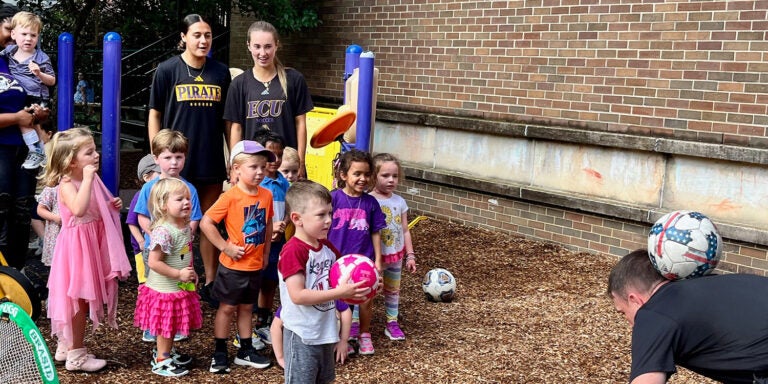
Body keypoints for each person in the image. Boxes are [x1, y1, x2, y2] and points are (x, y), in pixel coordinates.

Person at [148, 13, 231, 300]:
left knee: (208, 221)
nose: (203, 40)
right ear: (183, 37)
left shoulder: (220, 72)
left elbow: (228, 120)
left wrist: (232, 157)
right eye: (196, 35)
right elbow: (155, 113)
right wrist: (156, 154)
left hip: (210, 158)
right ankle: (171, 282)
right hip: (175, 162)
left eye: (207, 35)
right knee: (174, 224)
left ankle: (210, 282)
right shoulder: (167, 70)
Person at [41, 127, 132, 371]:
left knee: (77, 298)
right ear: (71, 162)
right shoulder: (67, 184)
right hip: (76, 249)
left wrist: (112, 204)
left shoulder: (85, 179)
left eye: (95, 150)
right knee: (77, 300)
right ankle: (76, 356)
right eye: (89, 152)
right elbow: (79, 210)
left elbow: (94, 207)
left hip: (87, 244)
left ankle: (67, 344)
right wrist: (90, 180)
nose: (96, 155)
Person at [608, 249, 768, 384]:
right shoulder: (712, 284)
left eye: (623, 313)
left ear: (634, 300)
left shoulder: (653, 313)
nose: (630, 323)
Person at [278, 180, 370, 383]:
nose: (329, 220)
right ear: (297, 218)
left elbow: (346, 277)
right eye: (321, 215)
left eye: (330, 213)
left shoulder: (326, 247)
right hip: (302, 335)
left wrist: (370, 284)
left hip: (326, 333)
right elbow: (298, 295)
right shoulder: (293, 251)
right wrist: (340, 293)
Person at [199, 140, 275, 374]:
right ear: (237, 169)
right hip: (232, 267)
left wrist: (266, 254)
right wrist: (225, 247)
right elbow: (206, 222)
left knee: (246, 308)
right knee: (227, 308)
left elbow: (269, 224)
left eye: (263, 167)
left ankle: (245, 349)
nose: (260, 171)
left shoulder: (266, 195)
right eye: (253, 166)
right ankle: (220, 352)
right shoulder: (230, 197)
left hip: (254, 265)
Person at [132, 129, 202, 342]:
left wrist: (187, 232)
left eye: (178, 157)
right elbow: (141, 215)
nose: (174, 162)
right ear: (156, 159)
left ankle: (175, 323)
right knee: (155, 286)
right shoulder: (150, 187)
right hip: (157, 246)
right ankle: (153, 325)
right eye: (167, 157)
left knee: (179, 286)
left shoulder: (188, 188)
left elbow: (195, 216)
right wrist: (154, 235)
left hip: (181, 248)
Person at [224, 20, 313, 179]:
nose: (262, 53)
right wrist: (234, 165)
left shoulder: (294, 79)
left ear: (277, 45)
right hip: (253, 166)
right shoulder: (239, 84)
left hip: (285, 165)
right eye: (257, 46)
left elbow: (301, 123)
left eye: (268, 46)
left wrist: (301, 161)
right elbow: (236, 128)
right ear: (249, 46)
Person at [133, 178, 202, 377]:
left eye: (188, 198)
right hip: (165, 289)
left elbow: (185, 253)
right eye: (179, 199)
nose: (187, 202)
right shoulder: (163, 232)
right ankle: (162, 360)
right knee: (166, 325)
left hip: (179, 286)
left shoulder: (185, 228)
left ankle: (166, 352)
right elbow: (154, 262)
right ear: (163, 205)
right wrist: (178, 273)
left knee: (171, 324)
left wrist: (191, 270)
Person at [0, 2, 49, 271]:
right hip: (2, 148)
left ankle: (17, 272)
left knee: (22, 210)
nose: (13, 36)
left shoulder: (17, 60)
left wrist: (40, 113)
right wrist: (16, 119)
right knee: (2, 207)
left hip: (24, 145)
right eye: (10, 29)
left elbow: (36, 96)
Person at [327, 149, 386, 355]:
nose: (363, 178)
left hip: (364, 261)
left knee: (366, 300)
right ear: (344, 175)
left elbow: (376, 232)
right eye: (357, 174)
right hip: (337, 261)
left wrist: (378, 260)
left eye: (367, 174)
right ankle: (342, 337)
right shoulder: (333, 199)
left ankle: (364, 334)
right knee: (338, 301)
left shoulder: (371, 203)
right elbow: (322, 226)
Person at [370, 153, 417, 340]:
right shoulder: (368, 200)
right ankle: (356, 325)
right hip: (374, 257)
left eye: (395, 176)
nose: (391, 180)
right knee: (366, 290)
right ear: (374, 176)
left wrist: (410, 255)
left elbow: (405, 230)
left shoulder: (400, 202)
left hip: (395, 256)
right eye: (385, 175)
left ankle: (392, 322)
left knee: (393, 290)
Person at [251, 129, 290, 347]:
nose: (275, 160)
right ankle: (248, 329)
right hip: (258, 243)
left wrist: (284, 222)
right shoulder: (256, 184)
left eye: (279, 154)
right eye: (270, 155)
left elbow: (289, 206)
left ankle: (262, 324)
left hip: (278, 242)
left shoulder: (284, 182)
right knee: (253, 283)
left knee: (270, 282)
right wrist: (269, 227)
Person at [3, 11, 55, 170]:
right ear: (13, 34)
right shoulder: (9, 52)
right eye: (24, 34)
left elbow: (52, 81)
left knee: (30, 122)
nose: (28, 38)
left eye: (33, 35)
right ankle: (39, 152)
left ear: (38, 37)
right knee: (25, 123)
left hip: (36, 96)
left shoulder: (41, 57)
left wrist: (39, 73)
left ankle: (39, 151)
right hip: (22, 97)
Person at [270, 300, 353, 369]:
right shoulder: (293, 300)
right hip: (299, 343)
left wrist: (343, 340)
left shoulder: (326, 290)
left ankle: (336, 347)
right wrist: (280, 357)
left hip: (326, 338)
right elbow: (275, 327)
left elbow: (345, 310)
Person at [126, 154, 161, 282]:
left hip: (159, 246)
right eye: (160, 173)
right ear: (146, 177)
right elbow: (132, 222)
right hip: (143, 248)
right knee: (145, 281)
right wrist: (141, 241)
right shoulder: (140, 195)